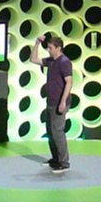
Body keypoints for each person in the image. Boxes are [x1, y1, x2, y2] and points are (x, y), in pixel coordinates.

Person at [29, 33, 73, 172]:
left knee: (57, 132)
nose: (48, 50)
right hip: (51, 101)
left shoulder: (64, 62)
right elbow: (33, 59)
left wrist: (63, 102)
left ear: (58, 48)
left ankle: (64, 162)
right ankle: (55, 159)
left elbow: (69, 82)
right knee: (50, 131)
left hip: (60, 102)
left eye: (50, 48)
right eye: (47, 47)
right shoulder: (51, 61)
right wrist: (37, 43)